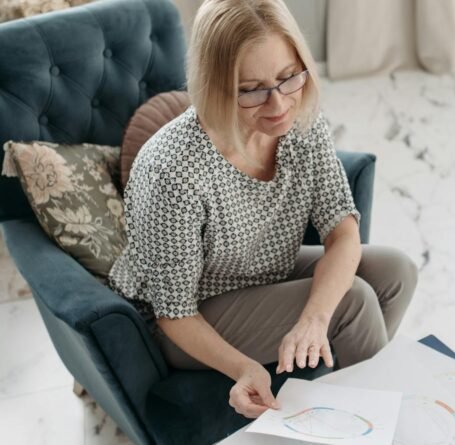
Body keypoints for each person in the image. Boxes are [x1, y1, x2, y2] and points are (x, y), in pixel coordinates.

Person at [108, 0, 417, 420]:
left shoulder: (299, 118)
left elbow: (342, 230)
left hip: (260, 270)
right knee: (353, 302)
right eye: (252, 89)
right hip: (187, 317)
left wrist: (313, 319)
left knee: (396, 272)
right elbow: (174, 313)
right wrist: (244, 367)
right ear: (215, 85)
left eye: (289, 77)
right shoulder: (172, 169)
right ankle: (381, 423)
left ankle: (346, 394)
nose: (278, 105)